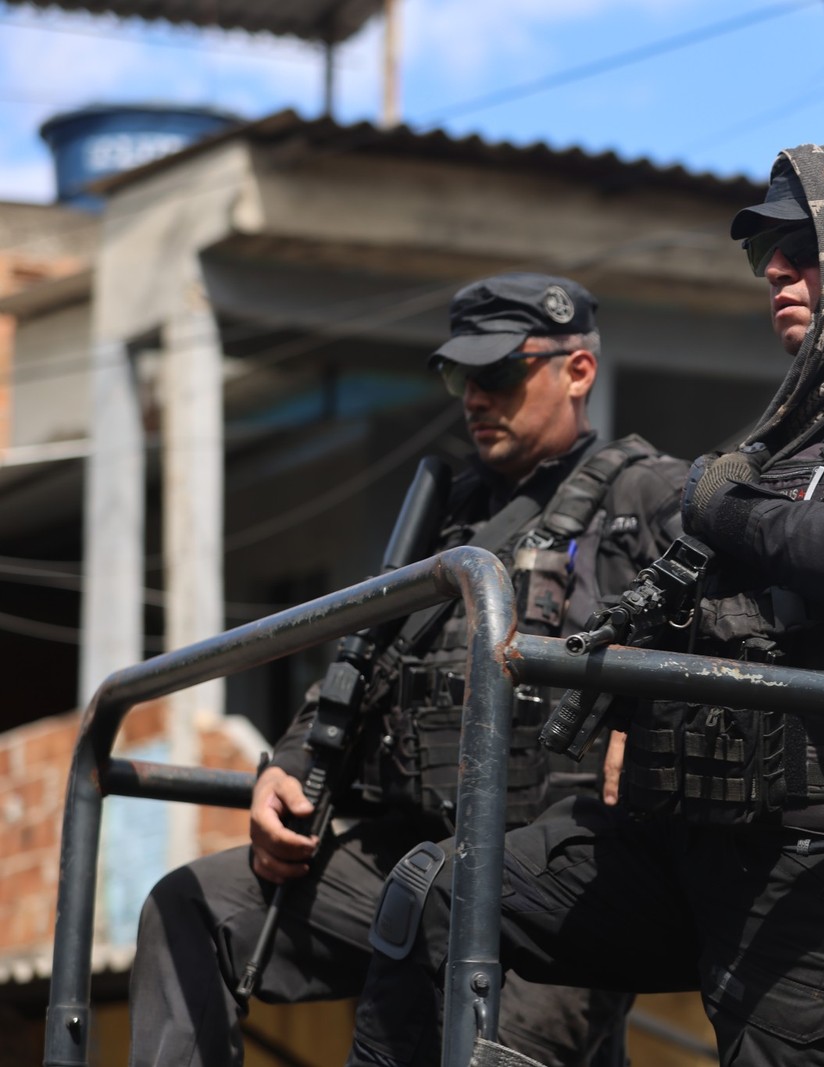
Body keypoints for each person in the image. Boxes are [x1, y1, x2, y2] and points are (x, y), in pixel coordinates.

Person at [345, 142, 824, 1067]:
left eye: (804, 245)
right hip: (688, 826)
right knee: (435, 894)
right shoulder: (815, 410)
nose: (776, 268)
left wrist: (725, 503)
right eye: (764, 253)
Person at [129, 273, 688, 1067]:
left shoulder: (647, 496)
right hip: (416, 857)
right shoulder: (446, 516)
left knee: (481, 1044)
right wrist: (287, 767)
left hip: (562, 874)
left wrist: (650, 714)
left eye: (497, 373)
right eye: (460, 377)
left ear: (577, 370)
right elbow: (361, 667)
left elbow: (737, 629)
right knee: (194, 906)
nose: (473, 398)